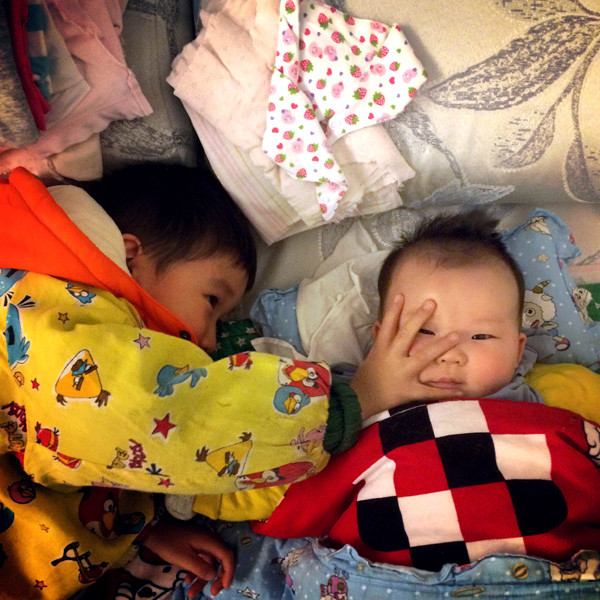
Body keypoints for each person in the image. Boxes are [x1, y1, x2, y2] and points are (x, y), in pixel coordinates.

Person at [0, 164, 425, 600]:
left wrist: (138, 529)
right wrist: (340, 406)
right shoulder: (45, 296)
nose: (207, 340)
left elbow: (72, 451)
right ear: (131, 256)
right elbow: (129, 410)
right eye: (211, 300)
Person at [182, 209, 600, 599]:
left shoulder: (555, 393)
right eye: (424, 331)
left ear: (518, 348)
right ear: (378, 338)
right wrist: (191, 498)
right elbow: (266, 466)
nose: (449, 354)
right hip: (382, 583)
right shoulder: (338, 404)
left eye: (481, 337)